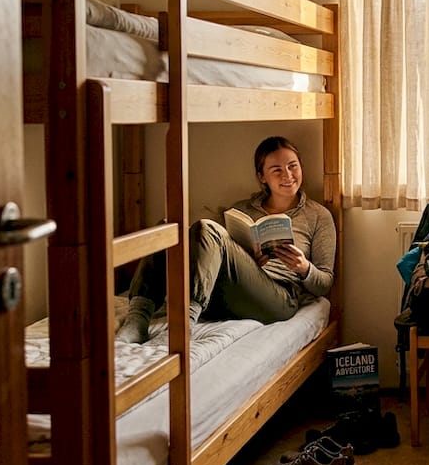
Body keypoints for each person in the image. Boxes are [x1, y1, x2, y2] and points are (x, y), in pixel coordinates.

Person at [115, 135, 336, 344]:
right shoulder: (242, 209)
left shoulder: (317, 215)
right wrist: (249, 258)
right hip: (225, 295)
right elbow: (209, 253)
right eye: (276, 169)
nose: (287, 175)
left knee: (207, 228)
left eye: (293, 166)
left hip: (278, 300)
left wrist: (304, 267)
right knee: (168, 228)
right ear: (262, 177)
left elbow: (325, 284)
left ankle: (182, 324)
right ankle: (137, 319)